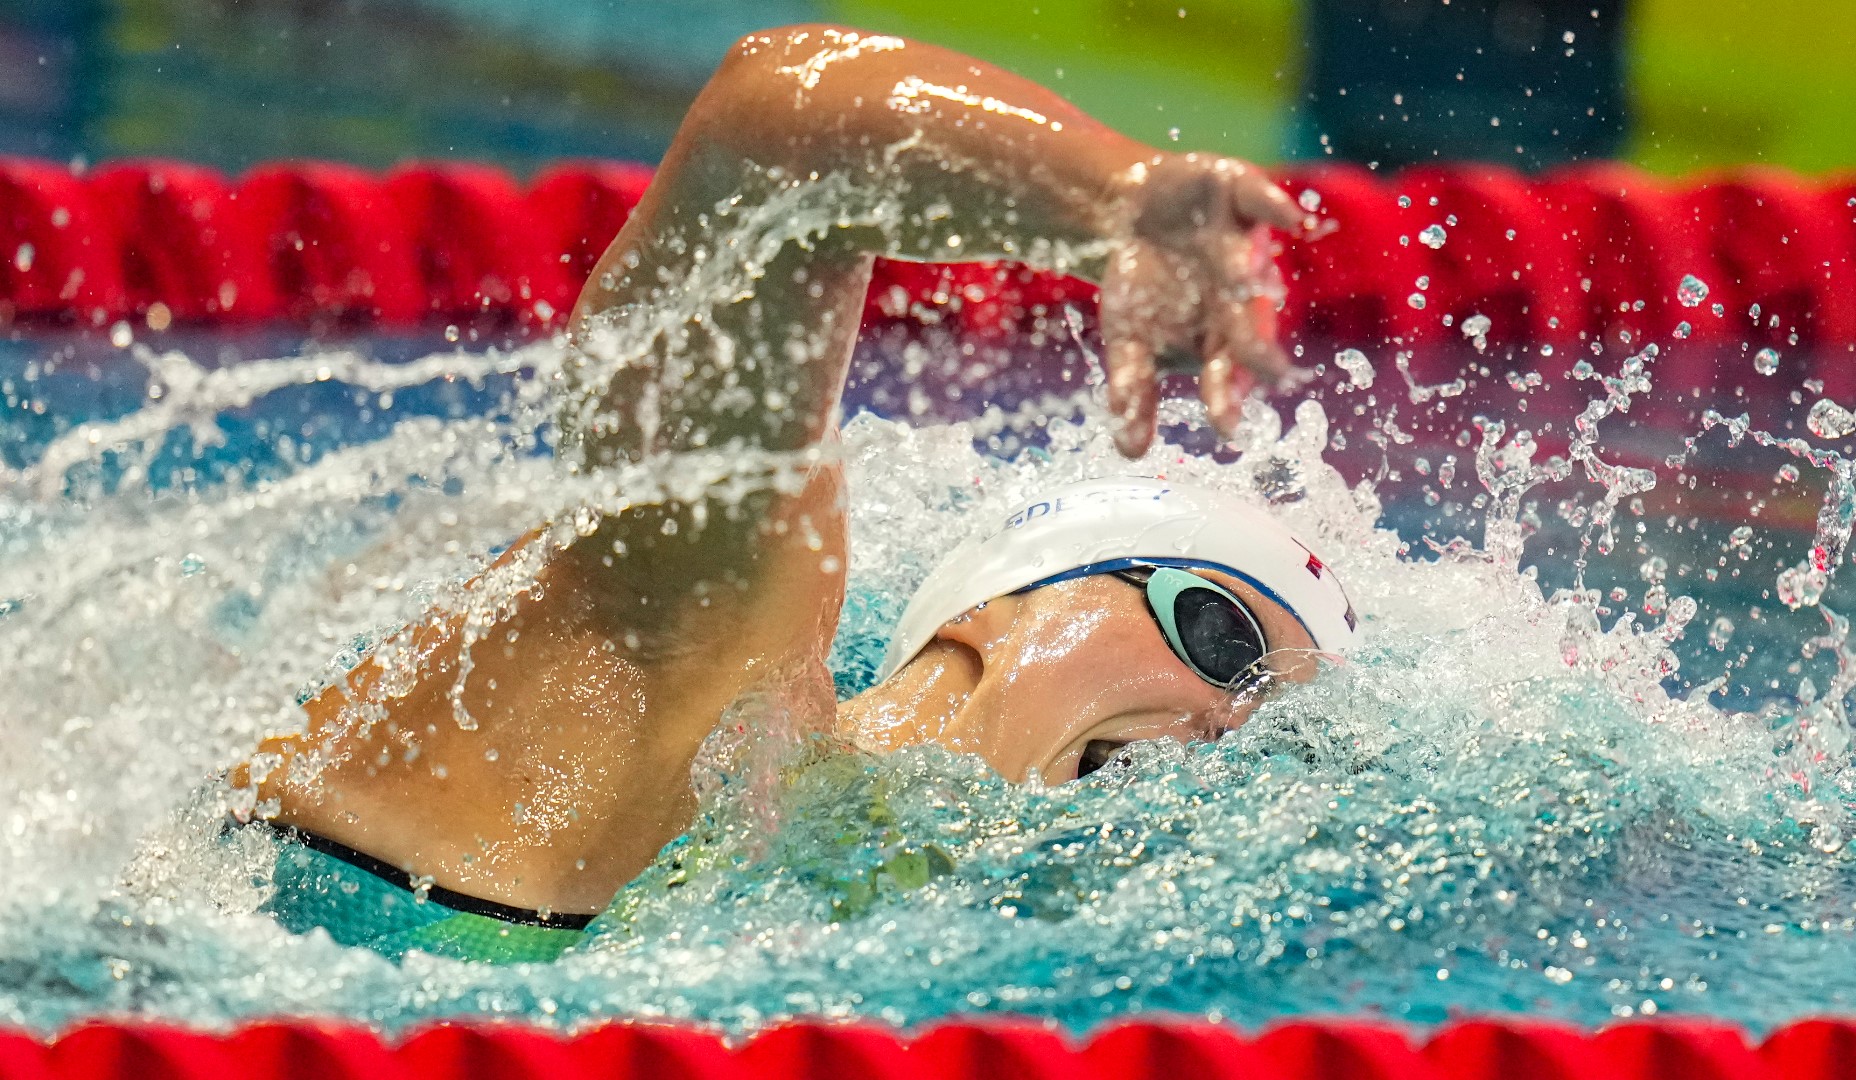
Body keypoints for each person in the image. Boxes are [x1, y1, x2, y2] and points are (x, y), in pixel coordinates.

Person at [227, 24, 1357, 962]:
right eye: (1218, 635)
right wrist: (1117, 198)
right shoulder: (711, 666)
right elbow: (769, 130)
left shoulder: (844, 942)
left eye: (1280, 741)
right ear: (992, 613)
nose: (1229, 728)